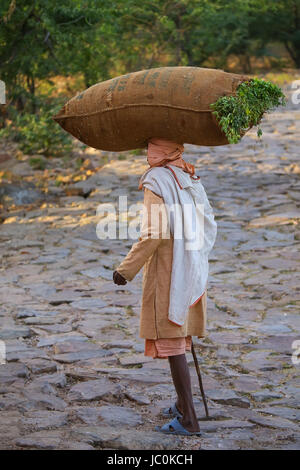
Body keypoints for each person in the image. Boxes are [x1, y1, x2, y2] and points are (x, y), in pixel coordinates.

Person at [113, 137, 217, 436]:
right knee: (180, 337)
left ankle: (189, 419)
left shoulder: (157, 179)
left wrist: (126, 269)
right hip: (190, 266)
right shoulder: (185, 175)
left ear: (155, 150)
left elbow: (155, 232)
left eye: (150, 145)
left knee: (173, 344)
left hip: (169, 273)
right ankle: (181, 404)